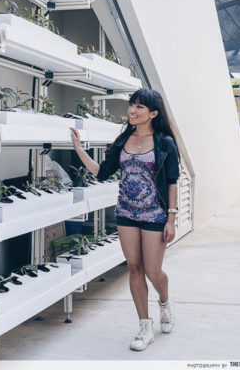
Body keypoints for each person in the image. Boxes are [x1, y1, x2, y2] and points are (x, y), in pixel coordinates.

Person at [70, 88, 179, 351]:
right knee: (133, 268)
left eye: (140, 107)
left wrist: (171, 219)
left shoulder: (164, 142)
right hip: (126, 214)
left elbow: (173, 182)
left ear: (153, 113)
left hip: (155, 214)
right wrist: (78, 149)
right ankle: (144, 326)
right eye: (132, 105)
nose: (132, 110)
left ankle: (164, 301)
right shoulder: (122, 141)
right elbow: (101, 172)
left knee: (153, 271)